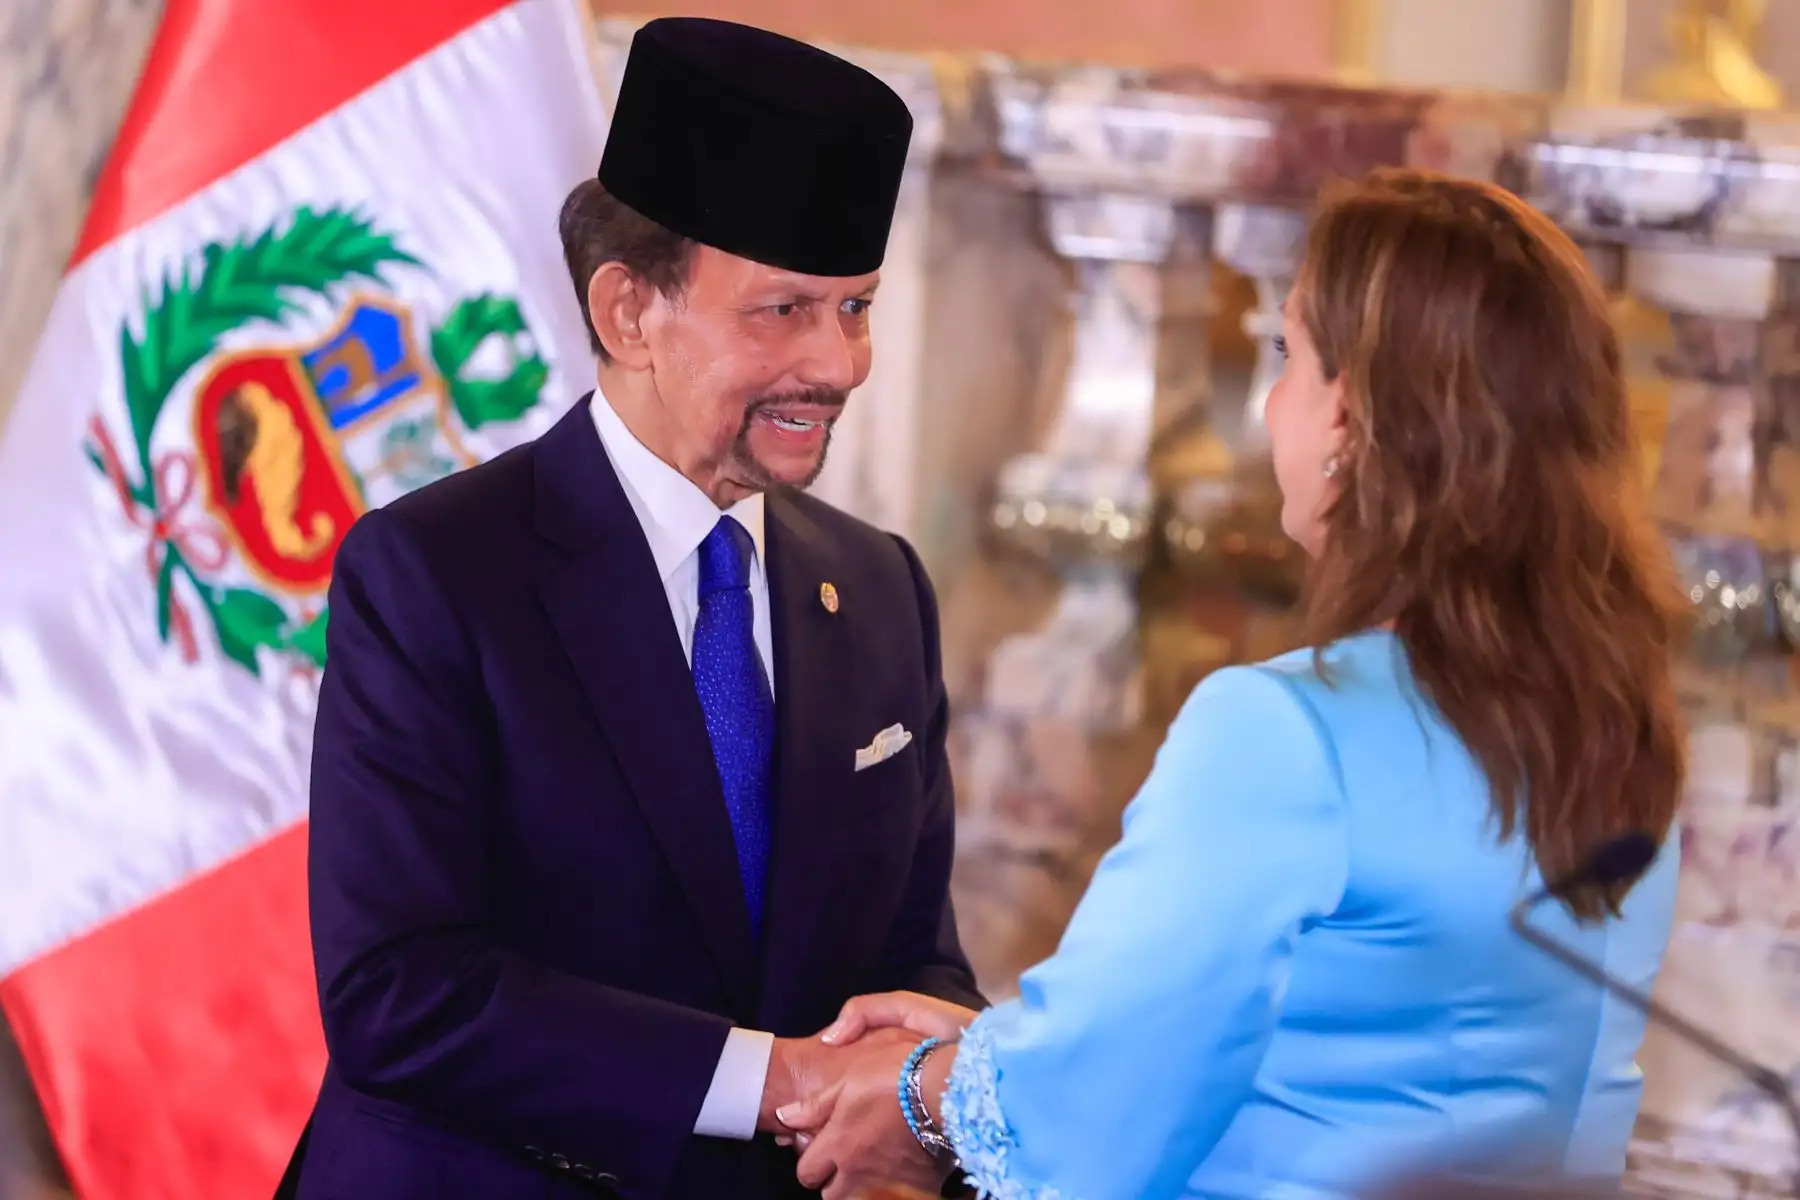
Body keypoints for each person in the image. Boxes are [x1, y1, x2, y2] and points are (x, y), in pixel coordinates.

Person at [777, 169, 1687, 1200]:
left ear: (1355, 418)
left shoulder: (1288, 735)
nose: (1270, 404)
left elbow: (1089, 1128)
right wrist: (1006, 1049)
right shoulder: (1620, 731)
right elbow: (1341, 1046)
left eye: (1287, 356)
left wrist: (910, 1092)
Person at [291, 17, 983, 1200]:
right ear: (627, 313)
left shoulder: (879, 588)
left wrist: (938, 1081)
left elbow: (915, 957)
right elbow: (402, 993)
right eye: (784, 311)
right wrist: (784, 1083)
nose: (840, 364)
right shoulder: (434, 573)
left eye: (856, 308)